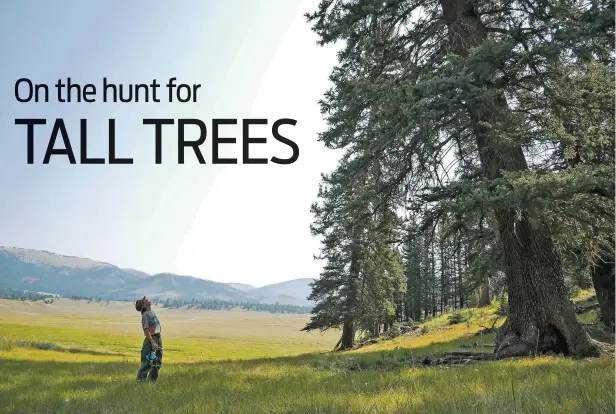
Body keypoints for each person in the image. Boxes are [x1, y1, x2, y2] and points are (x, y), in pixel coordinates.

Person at [135, 296, 163, 383]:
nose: (148, 300)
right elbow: (146, 330)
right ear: (144, 305)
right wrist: (153, 342)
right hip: (151, 340)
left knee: (156, 362)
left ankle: (151, 384)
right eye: (145, 300)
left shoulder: (151, 312)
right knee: (146, 363)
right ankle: (139, 384)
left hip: (157, 338)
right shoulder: (145, 315)